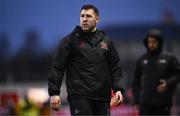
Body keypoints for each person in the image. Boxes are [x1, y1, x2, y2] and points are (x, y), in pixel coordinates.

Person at [48, 4, 124, 115]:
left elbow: (115, 67)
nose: (84, 19)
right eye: (82, 16)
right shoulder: (69, 41)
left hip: (102, 98)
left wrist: (118, 89)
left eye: (88, 16)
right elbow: (57, 67)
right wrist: (54, 93)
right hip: (79, 96)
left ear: (97, 19)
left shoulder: (106, 42)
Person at [132, 29, 180, 115]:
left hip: (162, 103)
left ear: (160, 42)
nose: (151, 44)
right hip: (145, 104)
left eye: (154, 42)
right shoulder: (142, 59)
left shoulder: (169, 57)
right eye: (149, 42)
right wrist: (135, 101)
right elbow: (136, 82)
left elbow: (178, 74)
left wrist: (168, 83)